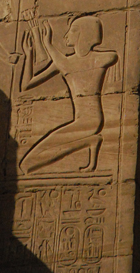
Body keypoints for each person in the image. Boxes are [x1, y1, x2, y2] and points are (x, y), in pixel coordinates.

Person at [19, 16, 117, 173]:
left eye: (72, 31)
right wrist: (29, 55)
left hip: (90, 120)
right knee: (27, 164)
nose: (66, 35)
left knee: (28, 163)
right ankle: (91, 141)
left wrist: (48, 43)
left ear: (83, 34)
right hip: (81, 121)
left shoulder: (97, 59)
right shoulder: (66, 62)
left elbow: (71, 64)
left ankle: (91, 141)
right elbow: (27, 84)